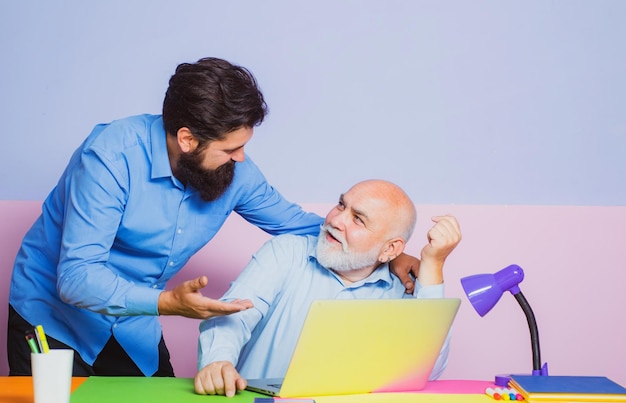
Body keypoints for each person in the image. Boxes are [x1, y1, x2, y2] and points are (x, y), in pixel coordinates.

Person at [7, 58, 420, 377]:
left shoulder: (236, 169)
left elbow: (300, 224)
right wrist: (167, 303)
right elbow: (77, 276)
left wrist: (386, 253)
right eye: (229, 149)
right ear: (187, 139)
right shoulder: (110, 157)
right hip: (52, 322)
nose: (241, 158)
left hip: (134, 323)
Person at [194, 179, 462, 397]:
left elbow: (428, 369)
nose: (336, 220)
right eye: (341, 205)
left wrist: (433, 266)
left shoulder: (402, 292)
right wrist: (218, 361)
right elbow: (233, 314)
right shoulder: (286, 252)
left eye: (358, 219)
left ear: (390, 249)